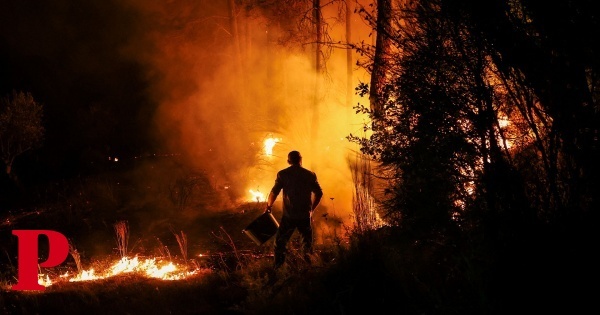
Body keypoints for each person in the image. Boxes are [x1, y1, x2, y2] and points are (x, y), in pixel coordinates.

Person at [265, 150, 323, 268]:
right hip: (304, 216)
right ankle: (307, 268)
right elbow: (319, 193)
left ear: (288, 161)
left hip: (289, 216)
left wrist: (269, 206)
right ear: (300, 160)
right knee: (307, 244)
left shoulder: (283, 174)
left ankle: (278, 268)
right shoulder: (310, 174)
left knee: (280, 243)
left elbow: (274, 192)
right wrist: (311, 210)